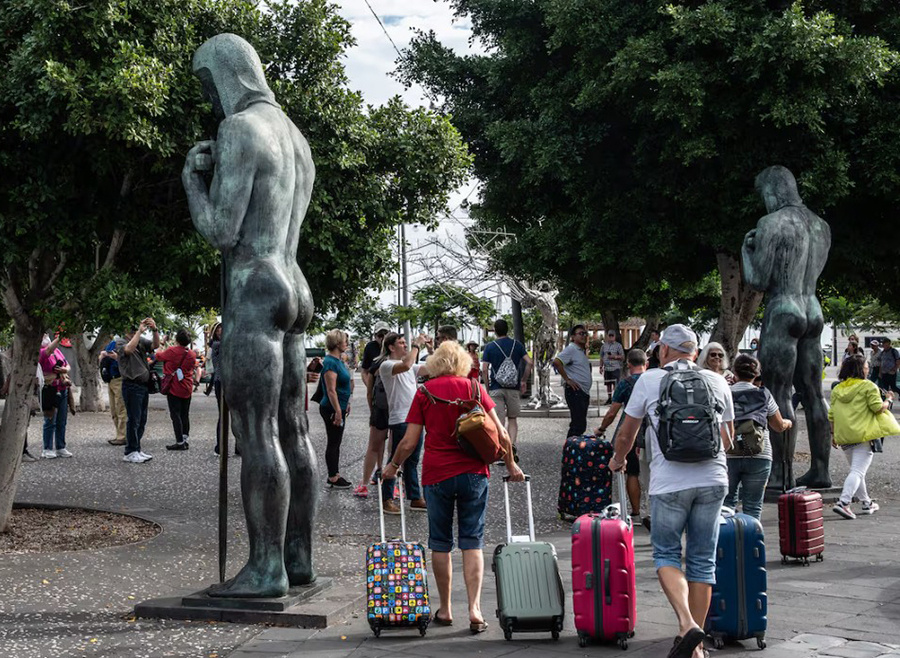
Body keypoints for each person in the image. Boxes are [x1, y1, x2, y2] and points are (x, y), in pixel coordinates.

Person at [184, 34, 319, 596]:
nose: (212, 101)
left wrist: (194, 179)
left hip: (256, 289)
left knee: (257, 433)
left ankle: (266, 569)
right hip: (295, 284)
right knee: (296, 429)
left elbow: (221, 229)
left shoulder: (240, 129)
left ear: (225, 76)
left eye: (209, 85)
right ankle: (297, 558)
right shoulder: (295, 137)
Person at [382, 341, 524, 633]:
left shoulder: (424, 393)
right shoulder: (474, 388)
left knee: (440, 542)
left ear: (434, 363)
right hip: (474, 473)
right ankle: (474, 609)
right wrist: (511, 465)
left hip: (437, 475)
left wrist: (393, 466)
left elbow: (408, 442)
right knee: (472, 540)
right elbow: (501, 435)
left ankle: (445, 609)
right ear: (462, 362)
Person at [611, 324, 734, 658]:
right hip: (713, 480)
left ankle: (686, 625)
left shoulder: (649, 380)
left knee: (666, 554)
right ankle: (697, 648)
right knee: (702, 561)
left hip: (669, 483)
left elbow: (626, 433)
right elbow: (728, 439)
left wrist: (617, 460)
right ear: (694, 352)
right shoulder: (717, 380)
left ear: (663, 350)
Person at [742, 165, 831, 489]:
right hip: (812, 307)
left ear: (773, 191)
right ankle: (821, 472)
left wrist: (746, 250)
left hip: (783, 307)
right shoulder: (821, 225)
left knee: (779, 392)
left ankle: (782, 473)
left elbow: (758, 280)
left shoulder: (771, 223)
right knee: (814, 395)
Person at [829, 354, 900, 519]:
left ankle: (866, 502)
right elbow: (877, 408)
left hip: (844, 436)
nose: (868, 369)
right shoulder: (868, 386)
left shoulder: (837, 389)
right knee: (857, 472)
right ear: (861, 369)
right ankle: (843, 503)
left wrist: (833, 434)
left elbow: (831, 415)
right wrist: (889, 400)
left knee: (857, 471)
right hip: (864, 436)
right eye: (866, 366)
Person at [726, 355, 792, 520]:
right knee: (753, 507)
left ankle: (725, 543)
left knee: (726, 505)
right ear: (756, 374)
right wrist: (787, 423)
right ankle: (752, 544)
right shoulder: (764, 395)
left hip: (728, 453)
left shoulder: (724, 392)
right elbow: (778, 425)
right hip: (759, 454)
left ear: (734, 372)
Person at [380, 332, 431, 514]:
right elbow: (407, 364)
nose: (405, 346)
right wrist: (417, 345)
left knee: (412, 460)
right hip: (400, 418)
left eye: (405, 343)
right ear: (391, 347)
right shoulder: (387, 365)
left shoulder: (411, 366)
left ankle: (415, 497)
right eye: (401, 343)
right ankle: (386, 498)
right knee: (396, 458)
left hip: (415, 418)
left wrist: (429, 348)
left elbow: (432, 367)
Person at [595, 349, 647, 522]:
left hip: (631, 431)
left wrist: (601, 429)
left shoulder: (626, 384)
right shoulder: (654, 380)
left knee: (632, 472)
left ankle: (635, 513)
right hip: (653, 431)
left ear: (629, 365)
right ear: (645, 363)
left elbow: (612, 413)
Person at [481, 319, 532, 450]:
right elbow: (530, 363)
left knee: (499, 421)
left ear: (495, 331)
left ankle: (502, 449)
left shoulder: (490, 347)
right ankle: (512, 447)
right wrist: (523, 380)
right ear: (507, 329)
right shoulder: (517, 345)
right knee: (512, 418)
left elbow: (484, 369)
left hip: (496, 388)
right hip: (513, 388)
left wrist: (488, 388)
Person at [355, 322, 391, 498]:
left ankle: (385, 474)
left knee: (391, 443)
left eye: (385, 334)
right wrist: (371, 388)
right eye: (379, 334)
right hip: (380, 402)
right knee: (376, 441)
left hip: (392, 405)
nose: (381, 337)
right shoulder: (372, 350)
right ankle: (368, 479)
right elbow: (366, 372)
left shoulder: (394, 353)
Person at [117, 318, 160, 463]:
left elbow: (155, 345)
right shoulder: (120, 342)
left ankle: (137, 448)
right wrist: (138, 333)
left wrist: (154, 329)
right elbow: (128, 349)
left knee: (142, 420)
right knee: (134, 419)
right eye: (131, 328)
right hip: (131, 385)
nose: (133, 329)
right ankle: (130, 451)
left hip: (143, 385)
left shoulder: (141, 340)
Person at [320, 329, 353, 489]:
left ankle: (335, 474)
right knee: (333, 442)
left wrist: (346, 403)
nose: (346, 343)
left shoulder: (338, 360)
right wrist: (338, 411)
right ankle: (333, 476)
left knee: (336, 442)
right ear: (337, 343)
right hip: (332, 408)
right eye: (345, 340)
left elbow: (343, 385)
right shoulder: (330, 362)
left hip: (339, 406)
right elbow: (331, 389)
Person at [155, 328, 199, 451]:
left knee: (176, 415)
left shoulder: (172, 351)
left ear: (177, 339)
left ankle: (179, 442)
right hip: (187, 386)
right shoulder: (192, 354)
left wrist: (162, 343)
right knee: (185, 414)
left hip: (174, 387)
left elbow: (158, 356)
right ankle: (185, 439)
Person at [553, 324, 592, 438]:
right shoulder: (571, 349)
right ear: (573, 337)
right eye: (580, 333)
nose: (583, 336)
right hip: (575, 391)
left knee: (580, 424)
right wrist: (567, 379)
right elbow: (557, 362)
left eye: (585, 334)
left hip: (582, 392)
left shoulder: (580, 351)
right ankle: (570, 450)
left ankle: (574, 450)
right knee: (578, 425)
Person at [38, 334, 73, 459]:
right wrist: (61, 336)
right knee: (50, 419)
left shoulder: (57, 351)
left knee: (62, 420)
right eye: (43, 335)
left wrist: (64, 369)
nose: (46, 337)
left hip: (62, 387)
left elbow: (67, 365)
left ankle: (60, 447)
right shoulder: (41, 352)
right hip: (49, 389)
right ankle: (47, 448)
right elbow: (48, 350)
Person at [100, 337, 127, 446]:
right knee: (114, 409)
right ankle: (119, 434)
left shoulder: (125, 343)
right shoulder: (112, 343)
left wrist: (117, 358)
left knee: (121, 408)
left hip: (119, 377)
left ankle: (122, 436)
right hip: (110, 378)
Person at [600, 330, 625, 403]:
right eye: (609, 336)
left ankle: (615, 398)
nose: (611, 337)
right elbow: (601, 357)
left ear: (614, 336)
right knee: (608, 384)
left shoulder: (618, 346)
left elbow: (623, 357)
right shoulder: (604, 346)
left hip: (615, 368)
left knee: (615, 384)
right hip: (607, 368)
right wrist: (601, 367)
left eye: (612, 336)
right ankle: (609, 398)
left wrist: (615, 356)